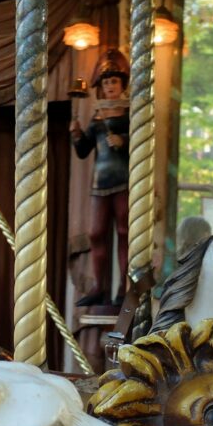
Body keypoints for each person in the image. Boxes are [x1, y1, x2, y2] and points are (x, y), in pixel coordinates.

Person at [70, 48, 130, 307]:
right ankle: (99, 287)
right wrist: (77, 134)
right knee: (96, 233)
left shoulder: (129, 114)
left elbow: (142, 143)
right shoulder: (97, 115)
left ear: (122, 84)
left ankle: (123, 287)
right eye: (106, 83)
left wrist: (124, 140)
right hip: (100, 182)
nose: (110, 87)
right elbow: (84, 151)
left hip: (122, 180)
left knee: (123, 231)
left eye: (114, 81)